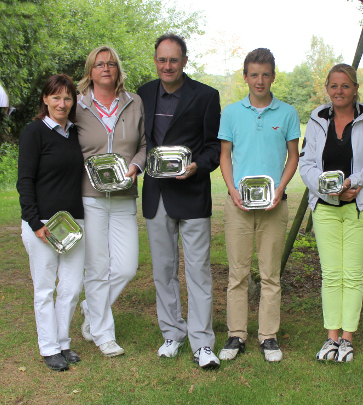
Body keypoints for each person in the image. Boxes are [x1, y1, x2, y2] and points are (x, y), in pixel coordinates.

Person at [137, 33, 221, 369]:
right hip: (157, 196)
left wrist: (198, 166)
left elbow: (215, 146)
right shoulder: (143, 94)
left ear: (185, 61)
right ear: (155, 60)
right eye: (162, 59)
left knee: (199, 271)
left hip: (193, 194)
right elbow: (138, 141)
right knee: (163, 271)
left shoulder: (206, 96)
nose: (167, 65)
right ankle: (172, 333)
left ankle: (202, 342)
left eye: (174, 59)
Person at [299, 63, 363, 362]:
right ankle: (331, 338)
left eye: (345, 86)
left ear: (355, 88)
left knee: (351, 274)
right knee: (330, 274)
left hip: (360, 207)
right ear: (327, 88)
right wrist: (329, 189)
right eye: (334, 86)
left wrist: (353, 182)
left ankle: (347, 339)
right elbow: (306, 164)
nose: (339, 91)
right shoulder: (317, 118)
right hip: (325, 208)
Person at [217, 48, 300, 363]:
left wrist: (280, 188)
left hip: (274, 205)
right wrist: (231, 188)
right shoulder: (232, 112)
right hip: (238, 205)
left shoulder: (288, 113)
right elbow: (225, 155)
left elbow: (294, 156)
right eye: (254, 74)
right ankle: (236, 335)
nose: (260, 81)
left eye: (265, 74)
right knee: (237, 273)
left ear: (273, 76)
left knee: (270, 275)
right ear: (245, 76)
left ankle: (268, 337)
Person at [76, 46, 147, 357]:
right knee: (97, 267)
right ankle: (103, 334)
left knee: (127, 266)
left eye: (111, 64)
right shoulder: (77, 105)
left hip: (123, 196)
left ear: (118, 70)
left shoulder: (134, 103)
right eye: (99, 64)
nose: (105, 68)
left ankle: (91, 306)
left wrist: (136, 166)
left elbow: (144, 144)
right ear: (90, 71)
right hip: (88, 196)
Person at [17, 74, 84, 371]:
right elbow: (25, 181)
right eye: (56, 97)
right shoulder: (34, 132)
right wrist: (34, 222)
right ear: (45, 99)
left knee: (70, 287)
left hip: (72, 223)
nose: (62, 103)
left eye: (67, 98)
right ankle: (48, 348)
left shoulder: (75, 133)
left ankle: (63, 342)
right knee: (44, 288)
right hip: (42, 223)